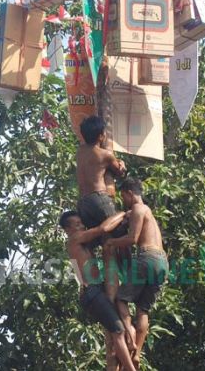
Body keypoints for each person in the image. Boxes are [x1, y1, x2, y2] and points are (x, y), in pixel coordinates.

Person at [60, 210, 137, 371]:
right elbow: (102, 229)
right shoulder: (74, 239)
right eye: (77, 224)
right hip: (91, 292)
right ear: (67, 230)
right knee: (118, 331)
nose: (81, 226)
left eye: (81, 223)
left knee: (121, 328)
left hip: (97, 290)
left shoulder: (84, 243)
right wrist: (123, 213)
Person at [104, 177, 168, 369]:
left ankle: (130, 340)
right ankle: (137, 353)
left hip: (147, 257)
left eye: (124, 197)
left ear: (130, 194)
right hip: (162, 262)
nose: (124, 201)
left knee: (121, 300)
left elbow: (132, 239)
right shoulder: (148, 213)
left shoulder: (140, 209)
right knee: (143, 310)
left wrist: (111, 243)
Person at [76, 115, 128, 301]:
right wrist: (122, 164)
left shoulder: (80, 151)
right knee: (121, 233)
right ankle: (128, 271)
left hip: (83, 202)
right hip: (99, 199)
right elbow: (119, 172)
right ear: (100, 136)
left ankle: (94, 282)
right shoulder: (105, 155)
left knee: (98, 241)